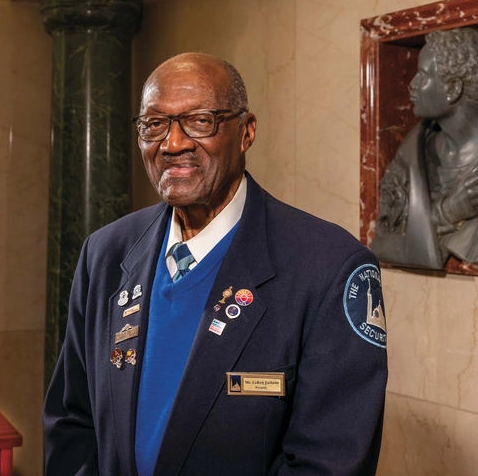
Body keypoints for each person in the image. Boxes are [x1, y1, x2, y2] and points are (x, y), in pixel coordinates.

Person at [43, 52, 388, 475]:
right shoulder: (106, 253)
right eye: (154, 124)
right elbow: (71, 422)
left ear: (246, 132)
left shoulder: (329, 267)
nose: (173, 144)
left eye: (200, 121)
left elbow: (330, 463)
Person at [371, 27, 478, 270]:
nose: (411, 84)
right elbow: (383, 245)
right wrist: (452, 209)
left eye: (422, 75)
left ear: (453, 88)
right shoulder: (411, 154)